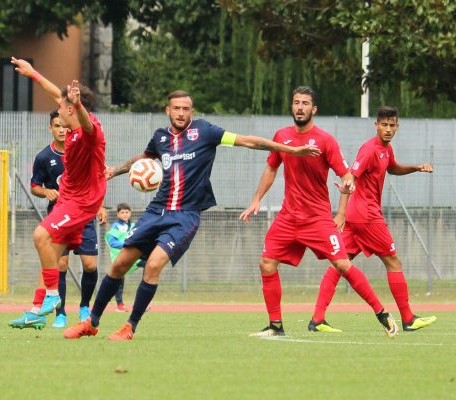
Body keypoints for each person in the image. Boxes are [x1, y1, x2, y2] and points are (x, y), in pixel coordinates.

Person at [62, 89, 321, 341]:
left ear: (192, 111)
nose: (181, 113)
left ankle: (130, 326)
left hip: (185, 216)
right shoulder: (160, 137)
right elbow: (145, 158)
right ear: (168, 111)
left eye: (186, 109)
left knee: (152, 266)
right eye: (176, 108)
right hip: (156, 210)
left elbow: (249, 141)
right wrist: (116, 170)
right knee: (119, 265)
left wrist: (290, 151)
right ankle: (91, 322)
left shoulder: (205, 132)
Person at [240, 86, 399, 338]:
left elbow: (346, 174)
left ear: (313, 110)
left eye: (305, 103)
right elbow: (271, 168)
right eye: (296, 102)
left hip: (317, 219)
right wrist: (256, 199)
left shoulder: (325, 140)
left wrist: (348, 184)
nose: (299, 107)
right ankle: (275, 326)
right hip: (288, 218)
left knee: (343, 264)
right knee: (267, 263)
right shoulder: (281, 135)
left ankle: (382, 314)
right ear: (291, 106)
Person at [309, 106, 437, 332]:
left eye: (392, 125)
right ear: (376, 125)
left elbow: (393, 168)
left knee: (340, 264)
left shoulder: (386, 150)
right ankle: (408, 318)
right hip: (367, 217)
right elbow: (350, 178)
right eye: (384, 125)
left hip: (357, 217)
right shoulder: (369, 149)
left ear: (397, 127)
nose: (388, 130)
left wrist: (416, 167)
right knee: (393, 262)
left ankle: (317, 319)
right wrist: (339, 213)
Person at [7, 57, 106, 330]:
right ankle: (37, 311)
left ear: (74, 109)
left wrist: (76, 105)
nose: (57, 107)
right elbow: (57, 95)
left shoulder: (89, 132)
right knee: (51, 253)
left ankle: (53, 297)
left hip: (81, 202)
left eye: (63, 106)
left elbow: (85, 123)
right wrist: (33, 74)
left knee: (41, 236)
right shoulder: (71, 126)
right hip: (70, 199)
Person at [27, 110, 108, 328]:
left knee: (89, 265)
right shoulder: (44, 157)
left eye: (64, 126)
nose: (61, 130)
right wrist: (46, 192)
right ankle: (60, 313)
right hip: (59, 214)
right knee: (61, 264)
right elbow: (35, 186)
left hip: (83, 213)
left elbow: (95, 179)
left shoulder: (82, 148)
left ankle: (84, 306)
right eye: (56, 126)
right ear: (50, 128)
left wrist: (98, 205)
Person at [104, 202, 146, 312]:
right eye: (122, 212)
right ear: (118, 214)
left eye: (127, 212)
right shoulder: (116, 226)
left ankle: (144, 301)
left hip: (133, 256)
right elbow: (112, 242)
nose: (124, 214)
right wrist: (126, 245)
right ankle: (119, 304)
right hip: (120, 256)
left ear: (130, 213)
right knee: (118, 280)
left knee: (149, 265)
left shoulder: (133, 226)